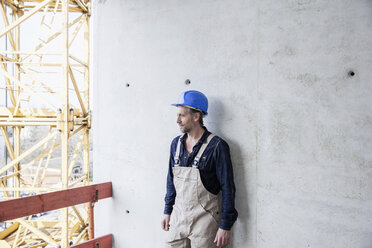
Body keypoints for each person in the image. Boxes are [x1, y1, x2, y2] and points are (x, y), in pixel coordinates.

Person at [161, 90, 238, 247]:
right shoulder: (176, 145)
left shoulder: (217, 146)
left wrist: (225, 225)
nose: (177, 120)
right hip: (179, 218)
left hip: (205, 222)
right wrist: (167, 210)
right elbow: (171, 180)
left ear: (196, 117)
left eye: (182, 115)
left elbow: (228, 187)